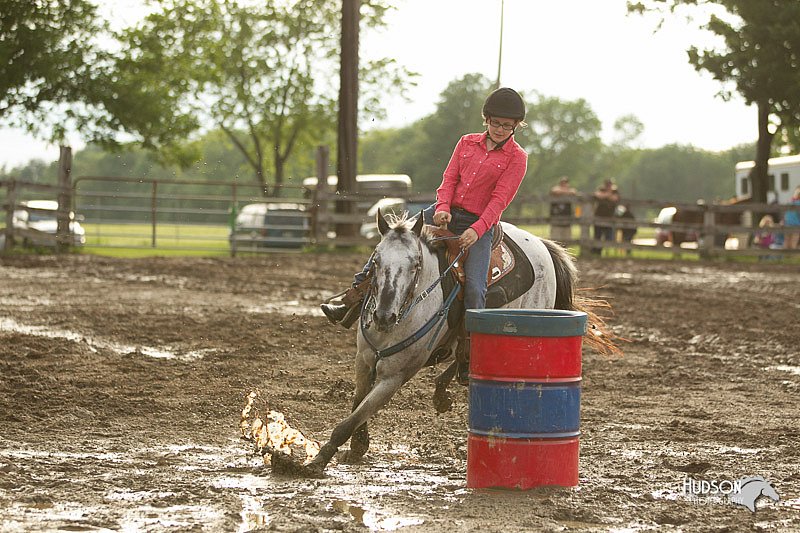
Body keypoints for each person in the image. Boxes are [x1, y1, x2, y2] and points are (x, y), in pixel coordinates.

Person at [321, 88, 529, 351]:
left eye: (507, 126)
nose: (500, 129)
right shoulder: (466, 143)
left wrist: (476, 230)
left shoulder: (517, 158)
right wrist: (442, 207)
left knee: (476, 288)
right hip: (445, 211)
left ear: (516, 126)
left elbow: (499, 200)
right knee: (393, 242)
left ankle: (469, 352)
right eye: (495, 122)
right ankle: (349, 300)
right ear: (486, 119)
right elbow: (450, 179)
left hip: (480, 224)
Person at [591, 178, 620, 255]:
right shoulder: (601, 189)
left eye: (609, 184)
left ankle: (604, 251)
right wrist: (608, 195)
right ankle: (596, 252)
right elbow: (597, 195)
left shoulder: (615, 191)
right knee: (597, 236)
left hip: (609, 218)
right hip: (599, 216)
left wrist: (606, 195)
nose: (608, 186)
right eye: (607, 184)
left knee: (609, 237)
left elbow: (615, 198)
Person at [549, 176, 577, 243]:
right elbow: (554, 191)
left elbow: (574, 192)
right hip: (556, 220)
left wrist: (565, 192)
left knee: (567, 240)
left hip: (567, 220)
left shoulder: (570, 191)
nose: (564, 184)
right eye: (562, 183)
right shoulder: (556, 189)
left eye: (565, 183)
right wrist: (566, 192)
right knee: (555, 240)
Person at [783, 186, 800, 250]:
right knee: (794, 242)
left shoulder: (790, 202)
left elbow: (786, 214)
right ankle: (791, 256)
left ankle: (785, 256)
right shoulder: (798, 203)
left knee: (786, 241)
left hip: (787, 224)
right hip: (796, 225)